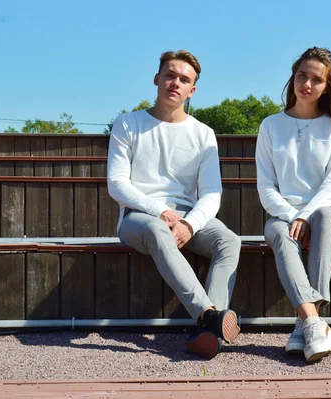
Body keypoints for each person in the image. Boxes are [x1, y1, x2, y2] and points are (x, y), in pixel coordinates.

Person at [107, 50, 241, 359]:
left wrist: (189, 223)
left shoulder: (203, 134)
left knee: (229, 240)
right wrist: (160, 211)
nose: (175, 83)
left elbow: (211, 193)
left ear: (192, 90)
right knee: (157, 228)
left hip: (187, 219)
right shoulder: (127, 124)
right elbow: (117, 184)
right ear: (157, 79)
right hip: (139, 218)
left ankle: (211, 333)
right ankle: (208, 315)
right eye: (170, 75)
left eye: (184, 79)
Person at [256, 47, 331, 363]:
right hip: (283, 213)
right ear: (293, 77)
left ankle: (305, 323)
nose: (306, 83)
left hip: (329, 214)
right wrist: (294, 216)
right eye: (301, 75)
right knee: (279, 233)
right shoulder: (270, 126)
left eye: (316, 79)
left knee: (322, 217)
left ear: (327, 86)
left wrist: (305, 216)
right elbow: (266, 186)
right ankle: (312, 323)